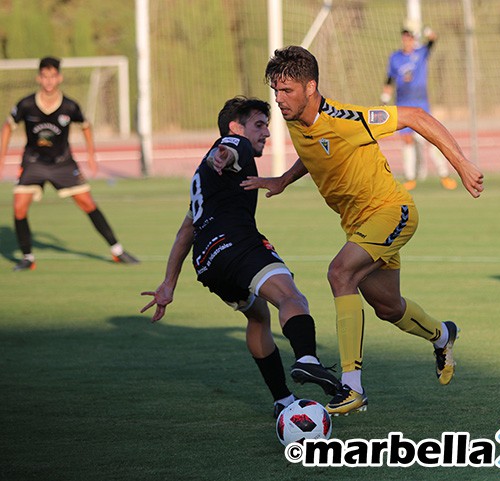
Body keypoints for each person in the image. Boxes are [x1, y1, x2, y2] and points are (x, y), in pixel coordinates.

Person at [239, 46, 484, 416]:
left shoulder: (345, 118)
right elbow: (315, 153)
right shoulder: (294, 119)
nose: (280, 99)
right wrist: (284, 180)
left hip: (391, 211)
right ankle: (443, 335)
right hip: (359, 224)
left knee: (340, 273)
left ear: (311, 87)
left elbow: (416, 116)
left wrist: (462, 164)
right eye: (276, 91)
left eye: (287, 90)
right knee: (388, 307)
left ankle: (351, 387)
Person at [140, 96, 341, 418]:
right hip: (236, 243)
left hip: (207, 261)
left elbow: (185, 232)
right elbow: (234, 148)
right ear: (236, 127)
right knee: (291, 297)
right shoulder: (233, 144)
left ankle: (283, 401)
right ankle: (307, 360)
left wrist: (168, 284)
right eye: (260, 125)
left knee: (258, 317)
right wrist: (227, 152)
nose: (266, 134)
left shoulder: (203, 178)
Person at [0, 56, 139, 271]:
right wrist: (2, 156)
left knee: (88, 204)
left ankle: (117, 250)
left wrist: (91, 155)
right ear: (39, 78)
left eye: (52, 76)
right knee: (19, 208)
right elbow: (8, 126)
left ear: (59, 78)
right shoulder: (26, 104)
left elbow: (85, 126)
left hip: (63, 163)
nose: (48, 81)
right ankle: (27, 257)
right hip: (33, 162)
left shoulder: (69, 106)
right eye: (44, 76)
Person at [382, 26, 457, 191]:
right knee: (407, 140)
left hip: (420, 104)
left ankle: (444, 174)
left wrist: (427, 30)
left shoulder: (421, 53)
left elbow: (433, 40)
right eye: (405, 38)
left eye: (409, 38)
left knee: (430, 139)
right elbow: (389, 79)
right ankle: (410, 177)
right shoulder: (395, 57)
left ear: (413, 39)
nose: (407, 41)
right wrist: (385, 98)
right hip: (402, 103)